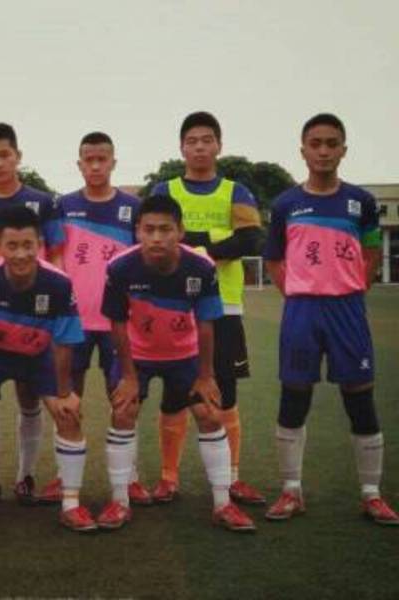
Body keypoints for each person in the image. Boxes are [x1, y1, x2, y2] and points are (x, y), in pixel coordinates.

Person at [263, 113, 398, 526]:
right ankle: (291, 491)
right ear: (303, 150)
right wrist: (298, 292)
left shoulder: (362, 202)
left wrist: (352, 286)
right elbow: (273, 260)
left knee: (360, 398)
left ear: (343, 150)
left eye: (331, 143)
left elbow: (371, 252)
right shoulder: (285, 204)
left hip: (347, 309)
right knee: (294, 396)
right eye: (316, 143)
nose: (323, 151)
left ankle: (371, 494)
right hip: (302, 310)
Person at [100, 195, 255, 532]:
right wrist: (128, 377)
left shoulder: (200, 267)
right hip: (138, 356)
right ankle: (119, 501)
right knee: (123, 411)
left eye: (165, 229)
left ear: (180, 231)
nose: (157, 237)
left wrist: (206, 376)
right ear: (137, 231)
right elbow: (117, 323)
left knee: (209, 413)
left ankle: (223, 504)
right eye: (149, 230)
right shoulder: (121, 267)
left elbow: (206, 323)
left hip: (184, 355)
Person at [0, 205, 94, 534]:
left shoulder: (58, 283)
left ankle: (71, 505)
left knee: (69, 414)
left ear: (39, 244)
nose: (20, 254)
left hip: (39, 354)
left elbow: (64, 342)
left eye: (28, 245)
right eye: (12, 246)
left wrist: (64, 393)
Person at [148, 112, 264, 505]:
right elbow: (154, 237)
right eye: (192, 140)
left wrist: (193, 245)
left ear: (219, 145)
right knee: (175, 393)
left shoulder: (237, 191)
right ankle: (168, 478)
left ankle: (232, 477)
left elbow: (250, 240)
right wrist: (218, 238)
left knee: (225, 392)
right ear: (181, 147)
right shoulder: (165, 190)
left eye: (207, 139)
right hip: (172, 305)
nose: (199, 146)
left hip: (223, 305)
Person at [37, 131, 150, 506]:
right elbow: (54, 257)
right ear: (79, 164)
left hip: (119, 324)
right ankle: (63, 476)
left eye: (103, 159)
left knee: (125, 403)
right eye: (89, 159)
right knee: (67, 401)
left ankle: (130, 477)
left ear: (113, 162)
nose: (96, 166)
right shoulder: (63, 205)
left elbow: (142, 261)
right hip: (73, 324)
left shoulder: (133, 207)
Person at [0, 122, 66, 503]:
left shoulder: (44, 203)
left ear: (18, 156)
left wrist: (53, 309)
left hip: (34, 319)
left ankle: (26, 476)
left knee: (30, 399)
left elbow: (56, 256)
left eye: (5, 155)